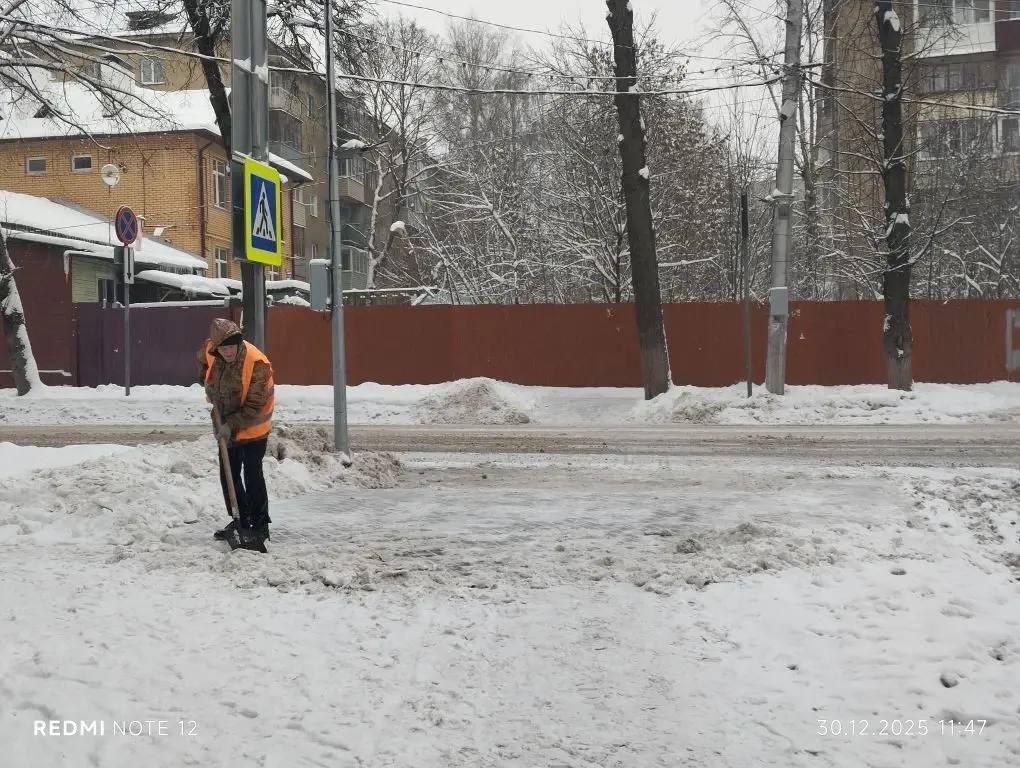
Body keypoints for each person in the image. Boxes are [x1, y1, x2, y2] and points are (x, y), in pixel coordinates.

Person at [196, 318, 275, 552]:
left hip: (253, 426)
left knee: (252, 474)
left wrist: (231, 425)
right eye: (224, 347)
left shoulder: (257, 362)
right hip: (225, 426)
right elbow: (202, 362)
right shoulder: (211, 350)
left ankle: (260, 525)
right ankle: (240, 520)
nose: (229, 351)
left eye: (233, 346)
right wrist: (205, 381)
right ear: (216, 347)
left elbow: (255, 404)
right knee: (227, 473)